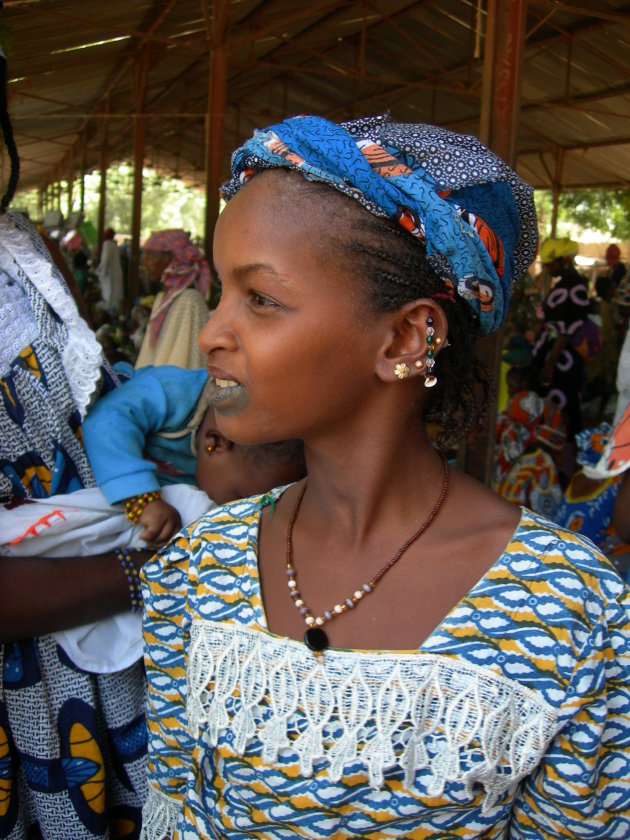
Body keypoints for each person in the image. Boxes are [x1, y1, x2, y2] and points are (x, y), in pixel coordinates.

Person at [140, 115, 630, 839]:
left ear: (406, 337)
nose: (213, 333)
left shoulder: (567, 614)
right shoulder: (199, 566)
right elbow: (176, 812)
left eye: (262, 300)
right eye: (221, 296)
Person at [0, 208, 149, 839]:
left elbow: (85, 425)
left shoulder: (20, 246)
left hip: (105, 660)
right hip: (26, 675)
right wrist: (157, 567)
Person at [82, 365, 305, 546]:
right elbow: (105, 422)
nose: (241, 510)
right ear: (215, 444)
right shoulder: (171, 393)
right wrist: (142, 499)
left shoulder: (227, 464)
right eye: (239, 497)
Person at [532, 236, 595, 440]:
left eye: (551, 264)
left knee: (563, 403)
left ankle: (563, 449)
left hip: (562, 360)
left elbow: (566, 330)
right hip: (556, 355)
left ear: (564, 261)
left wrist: (549, 363)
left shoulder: (575, 285)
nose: (549, 269)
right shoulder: (567, 283)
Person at [492, 367, 567, 518]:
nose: (509, 390)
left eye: (511, 386)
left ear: (524, 383)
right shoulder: (515, 410)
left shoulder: (535, 408)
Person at [134, 229, 210, 370]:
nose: (144, 262)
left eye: (149, 255)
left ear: (169, 258)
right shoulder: (162, 299)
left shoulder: (190, 301)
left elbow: (184, 369)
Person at [96, 227, 124, 317]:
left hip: (109, 276)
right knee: (115, 297)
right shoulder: (114, 245)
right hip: (116, 274)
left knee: (109, 296)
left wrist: (100, 274)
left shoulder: (107, 244)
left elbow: (105, 260)